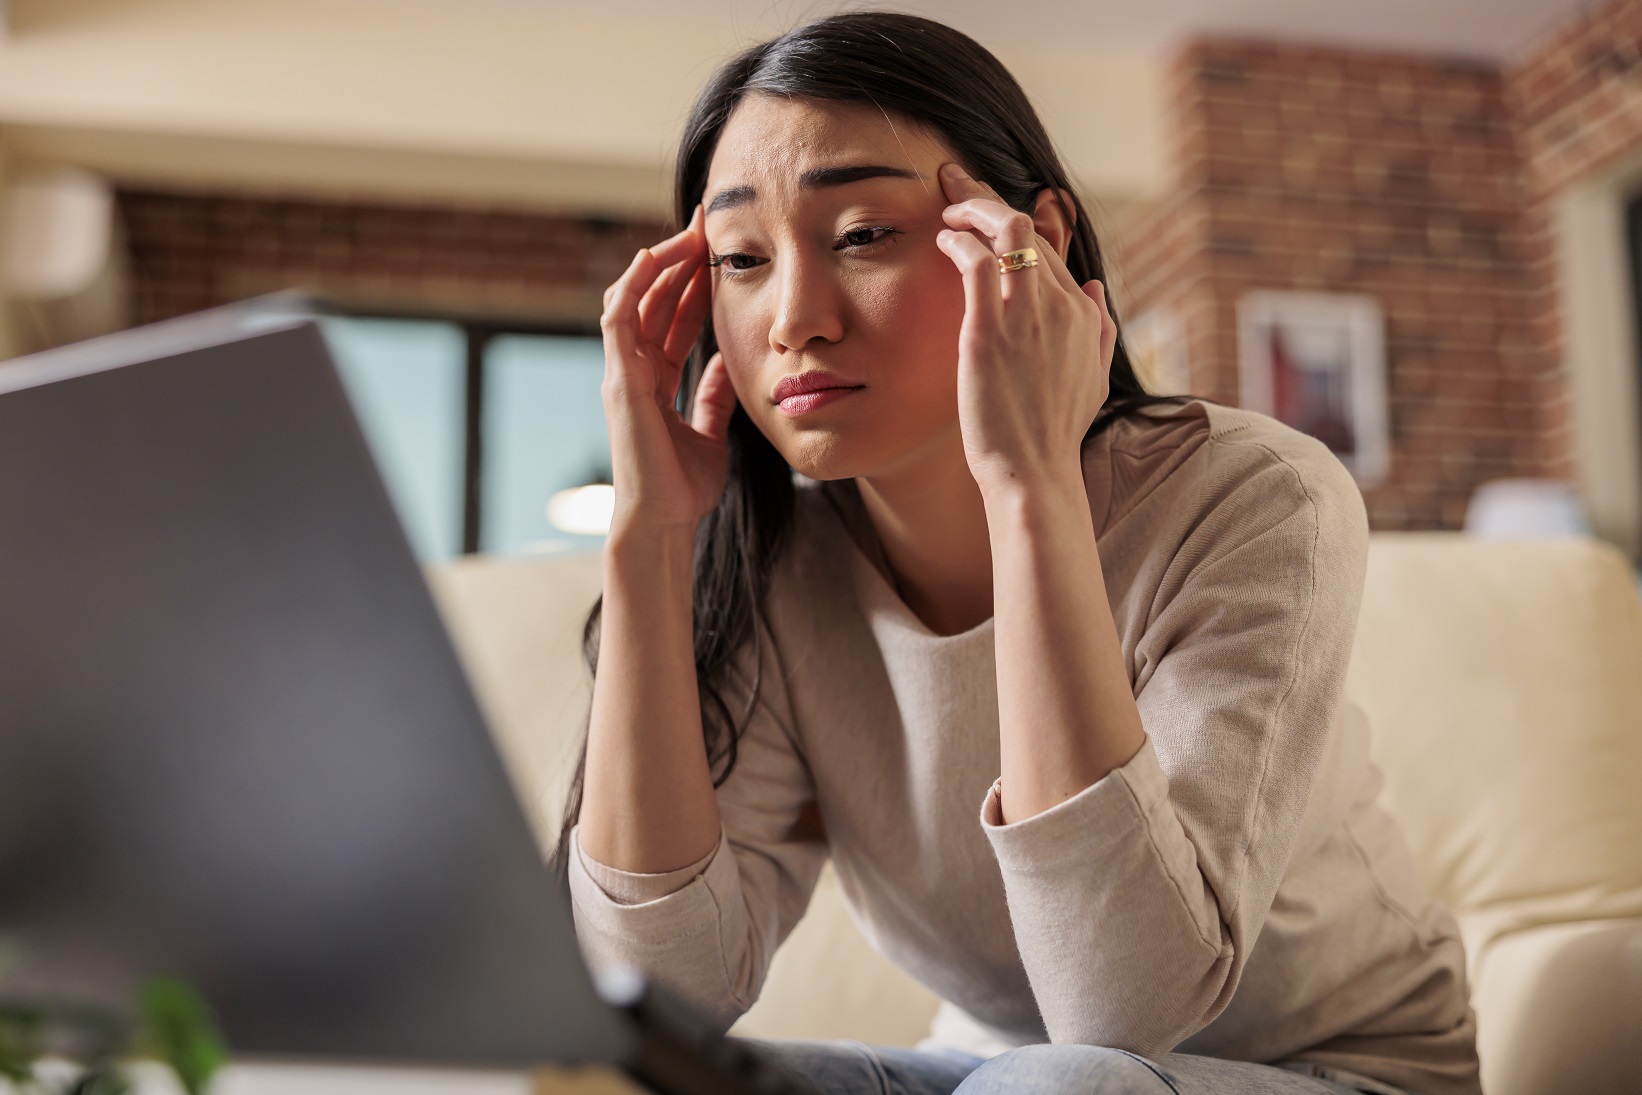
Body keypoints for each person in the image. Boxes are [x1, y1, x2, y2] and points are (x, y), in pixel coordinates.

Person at [557, 11, 1481, 1095]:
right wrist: (651, 540)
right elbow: (658, 995)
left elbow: (1121, 1010)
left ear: (1031, 235)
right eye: (742, 259)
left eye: (860, 234)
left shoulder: (1252, 495)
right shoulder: (778, 565)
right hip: (996, 1072)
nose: (793, 319)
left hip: (1326, 1071)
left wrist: (1028, 483)